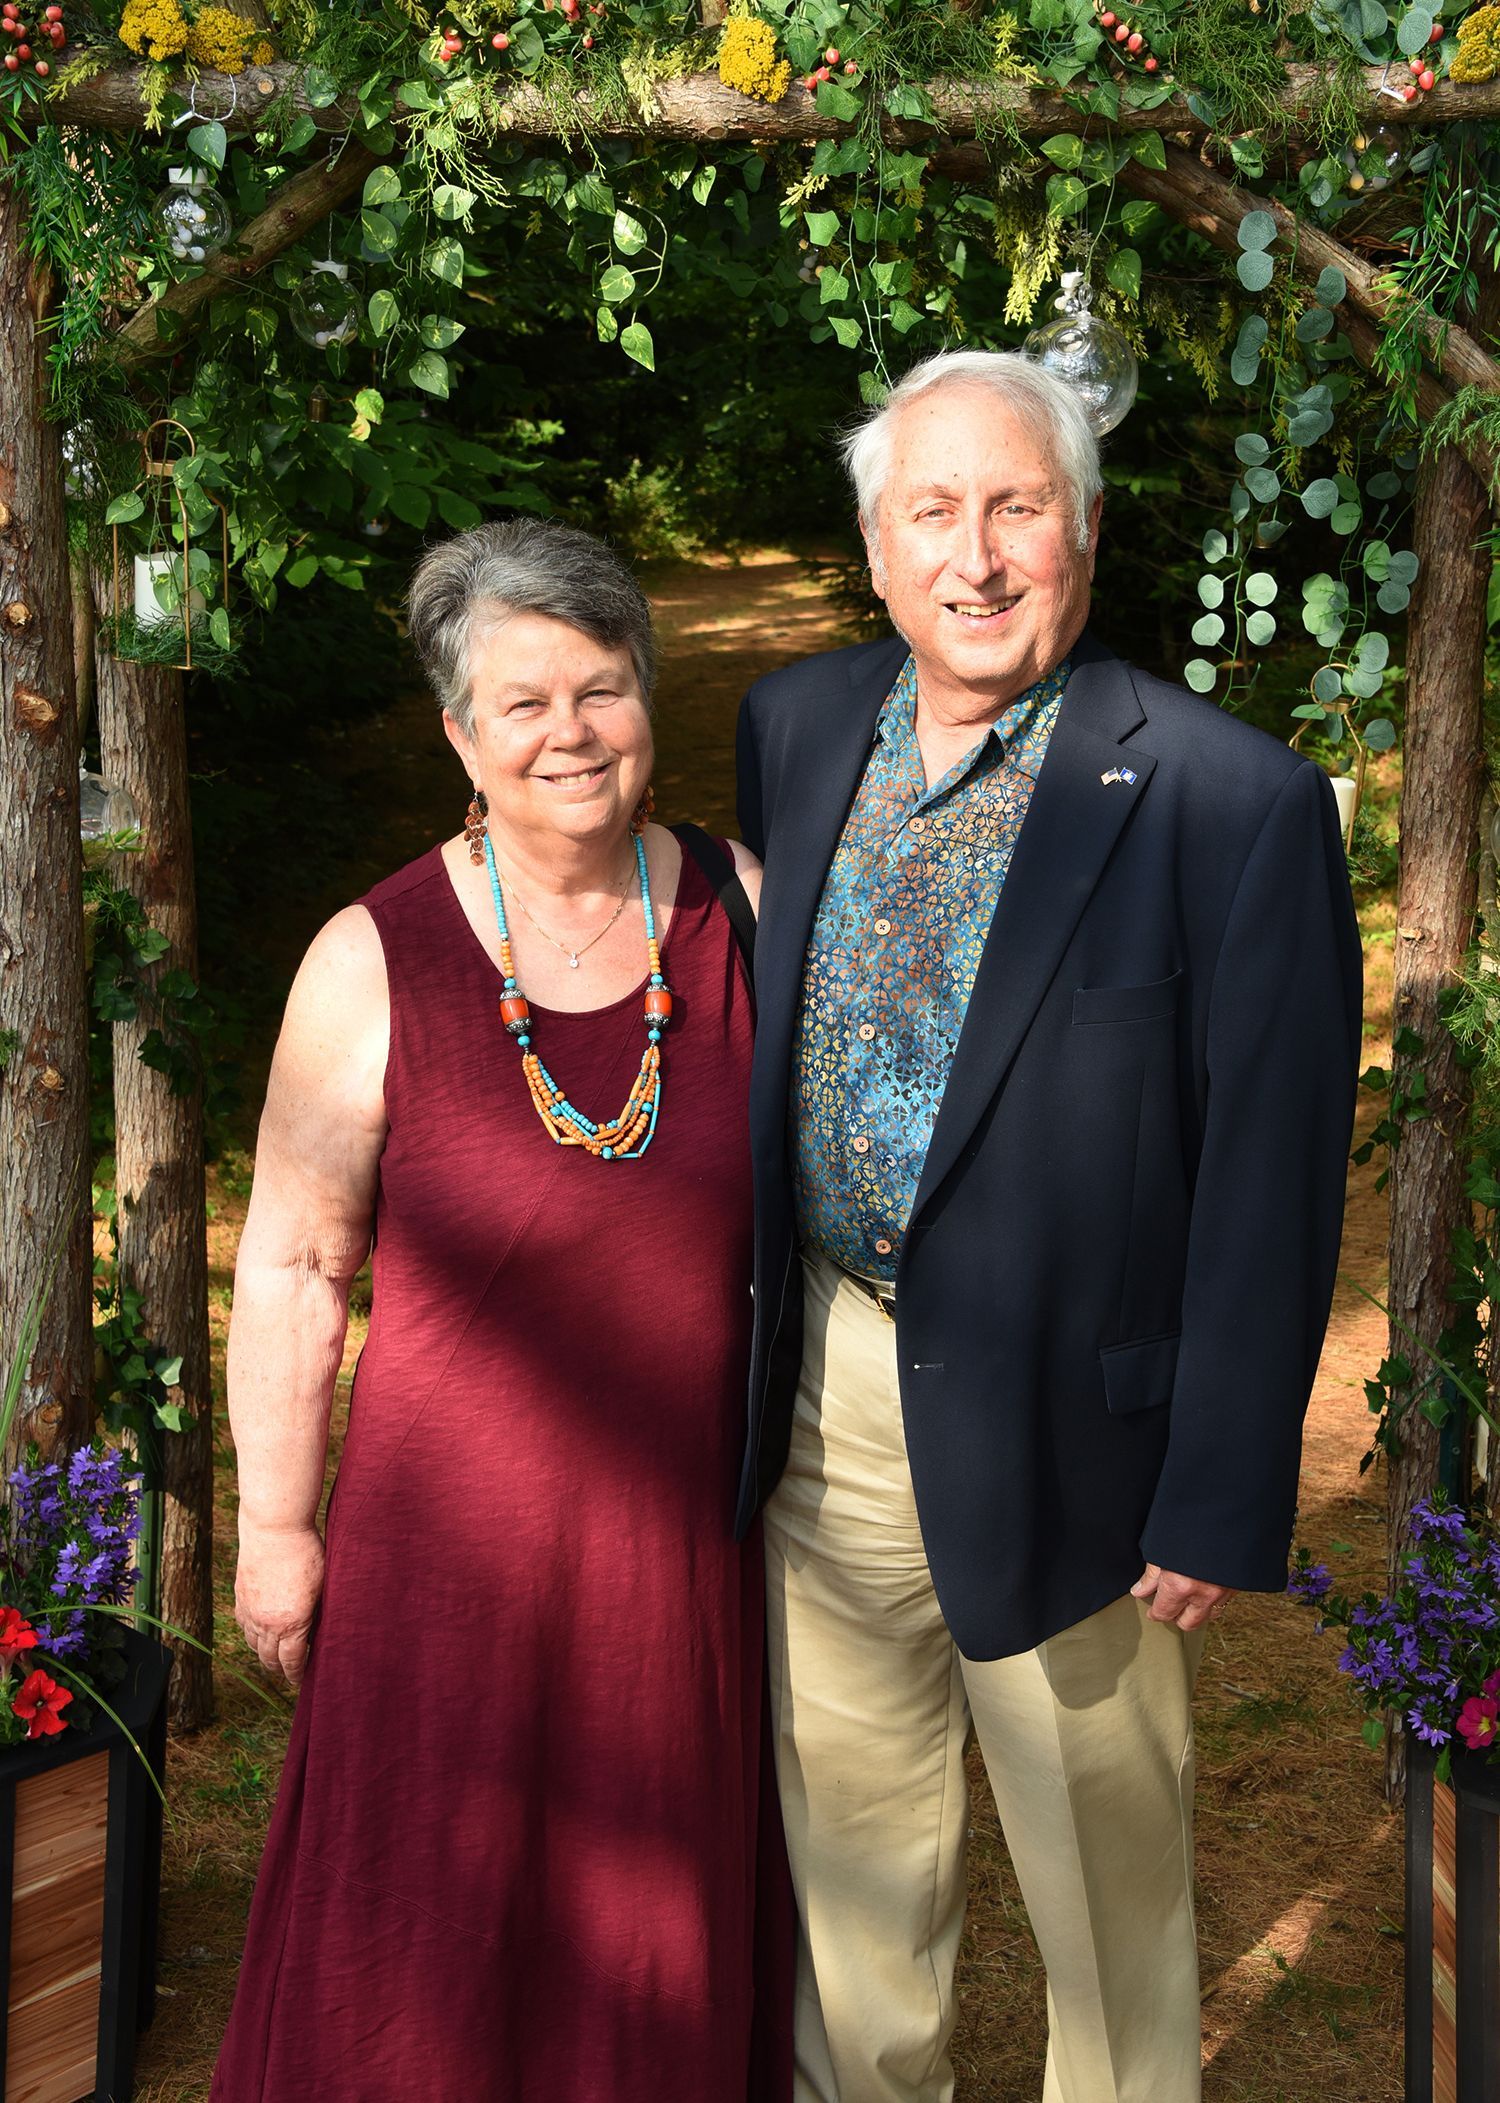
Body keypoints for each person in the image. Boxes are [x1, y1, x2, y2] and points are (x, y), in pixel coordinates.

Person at [733, 349, 1363, 2103]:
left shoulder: (1234, 801)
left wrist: (1220, 1481)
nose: (979, 555)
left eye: (1018, 507)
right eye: (934, 511)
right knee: (853, 1881)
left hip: (1086, 1439)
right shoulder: (794, 732)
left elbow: (1274, 1173)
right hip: (832, 1404)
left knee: (1107, 1904)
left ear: (1082, 534)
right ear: (876, 547)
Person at [212, 518, 791, 2101]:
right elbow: (292, 1259)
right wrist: (276, 1528)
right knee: (429, 1933)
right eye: (521, 703)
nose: (570, 734)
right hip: (444, 1563)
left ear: (648, 700)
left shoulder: (740, 910)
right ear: (461, 733)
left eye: (600, 689)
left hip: (678, 1559)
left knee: (645, 1923)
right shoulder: (369, 958)